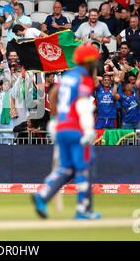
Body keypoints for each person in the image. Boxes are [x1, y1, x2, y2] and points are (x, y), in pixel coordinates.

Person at [32, 44, 102, 220]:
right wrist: (87, 129)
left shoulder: (67, 76)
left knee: (66, 168)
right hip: (76, 128)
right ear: (89, 61)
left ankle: (43, 194)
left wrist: (56, 120)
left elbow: (53, 93)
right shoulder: (84, 78)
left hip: (62, 127)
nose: (97, 61)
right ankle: (83, 209)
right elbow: (82, 104)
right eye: (96, 59)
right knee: (83, 168)